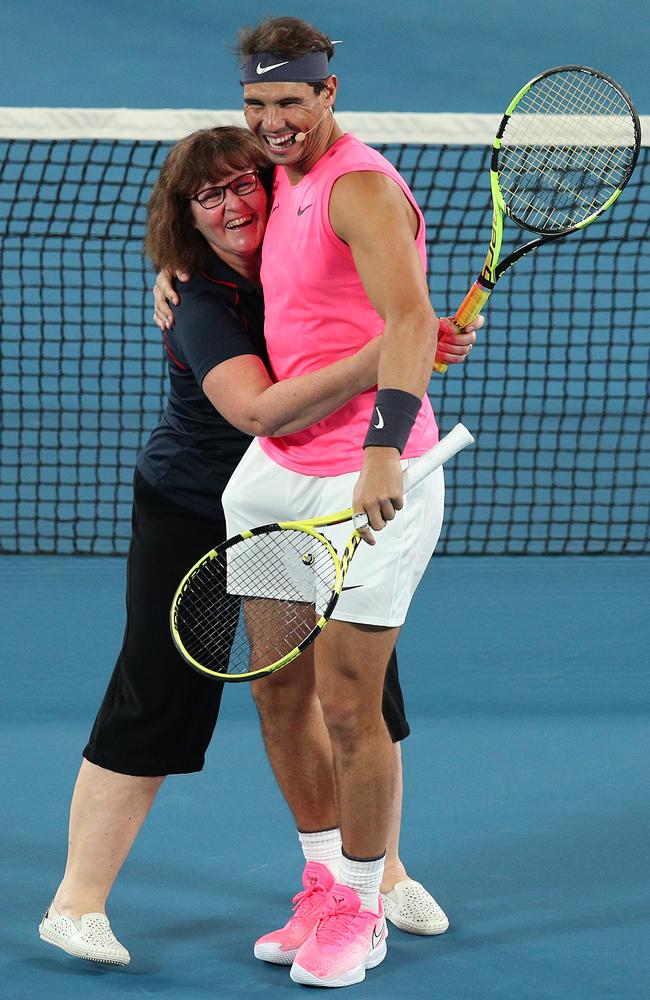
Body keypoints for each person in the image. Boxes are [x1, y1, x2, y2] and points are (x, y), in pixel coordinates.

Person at [38, 125, 458, 969]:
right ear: (184, 219)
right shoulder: (197, 300)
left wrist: (413, 341)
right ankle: (75, 901)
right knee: (159, 692)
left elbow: (382, 286)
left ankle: (367, 878)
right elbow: (263, 414)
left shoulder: (300, 253)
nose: (234, 205)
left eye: (245, 187)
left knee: (357, 698)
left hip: (323, 502)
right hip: (201, 508)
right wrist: (389, 351)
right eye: (209, 197)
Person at [153, 16, 483, 990]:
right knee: (275, 688)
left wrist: (383, 448)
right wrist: (171, 277)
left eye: (288, 102)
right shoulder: (280, 174)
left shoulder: (360, 187)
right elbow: (294, 290)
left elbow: (409, 314)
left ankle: (366, 906)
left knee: (347, 701)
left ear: (326, 94)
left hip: (372, 478)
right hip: (274, 479)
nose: (271, 122)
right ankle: (321, 885)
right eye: (255, 105)